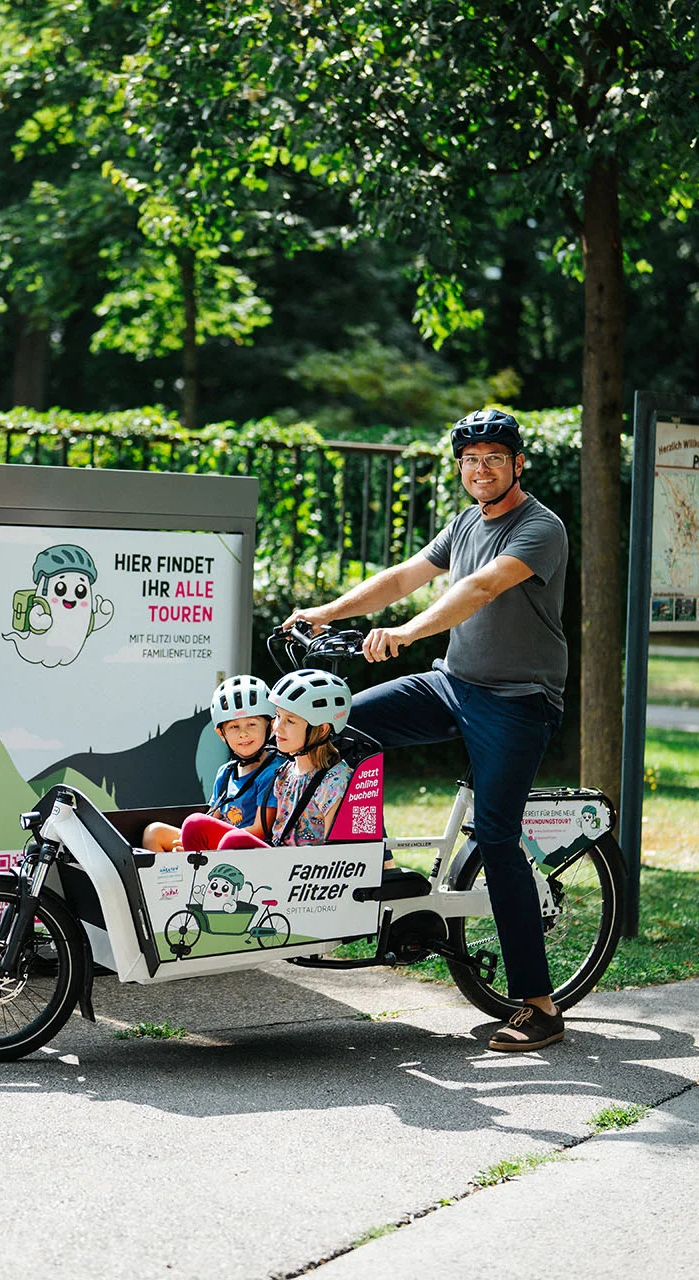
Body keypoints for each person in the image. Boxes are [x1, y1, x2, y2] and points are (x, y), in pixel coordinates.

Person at [284, 408, 570, 1051]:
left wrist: (409, 633)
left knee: (497, 839)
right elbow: (405, 577)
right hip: (454, 682)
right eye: (470, 460)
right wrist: (328, 610)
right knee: (341, 725)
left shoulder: (540, 527)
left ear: (518, 463)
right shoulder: (466, 520)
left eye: (494, 458)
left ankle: (540, 1006)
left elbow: (481, 588)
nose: (480, 470)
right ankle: (380, 865)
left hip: (518, 698)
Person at [190, 668, 355, 851]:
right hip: (278, 860)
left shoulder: (335, 782)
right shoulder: (284, 773)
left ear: (322, 729)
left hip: (306, 870)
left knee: (233, 841)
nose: (277, 727)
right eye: (277, 716)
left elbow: (338, 852)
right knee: (195, 823)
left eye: (290, 721)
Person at [144, 676, 282, 854]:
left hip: (246, 848)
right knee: (154, 832)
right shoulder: (226, 772)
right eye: (234, 727)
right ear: (221, 733)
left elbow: (260, 831)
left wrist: (204, 842)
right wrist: (188, 839)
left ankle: (189, 867)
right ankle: (171, 879)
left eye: (252, 724)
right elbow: (213, 817)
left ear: (270, 726)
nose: (243, 733)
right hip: (217, 844)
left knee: (198, 825)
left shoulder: (273, 771)